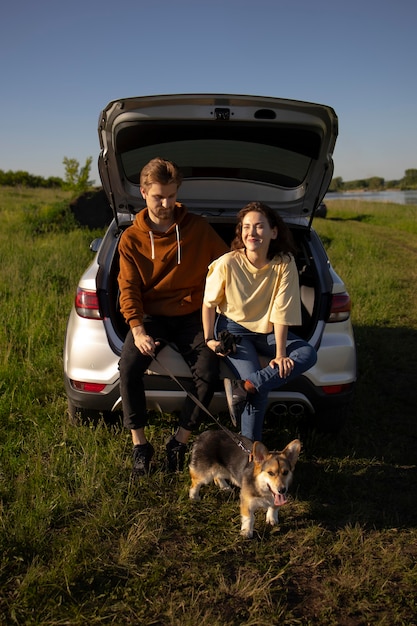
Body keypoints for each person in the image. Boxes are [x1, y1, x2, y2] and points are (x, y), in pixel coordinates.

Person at [118, 158, 228, 475]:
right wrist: (137, 330)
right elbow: (128, 289)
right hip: (151, 316)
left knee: (208, 372)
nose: (165, 203)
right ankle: (141, 446)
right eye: (157, 197)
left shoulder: (198, 229)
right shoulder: (131, 239)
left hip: (193, 315)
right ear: (143, 192)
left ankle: (179, 442)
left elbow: (226, 268)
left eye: (170, 195)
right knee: (128, 367)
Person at [202, 201, 317, 442]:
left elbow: (281, 310)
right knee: (259, 390)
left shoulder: (284, 263)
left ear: (274, 232)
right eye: (246, 227)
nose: (251, 232)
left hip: (268, 332)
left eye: (259, 226)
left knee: (307, 354)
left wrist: (280, 353)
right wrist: (210, 339)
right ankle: (251, 453)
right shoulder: (228, 262)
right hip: (234, 331)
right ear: (240, 232)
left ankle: (245, 387)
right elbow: (209, 304)